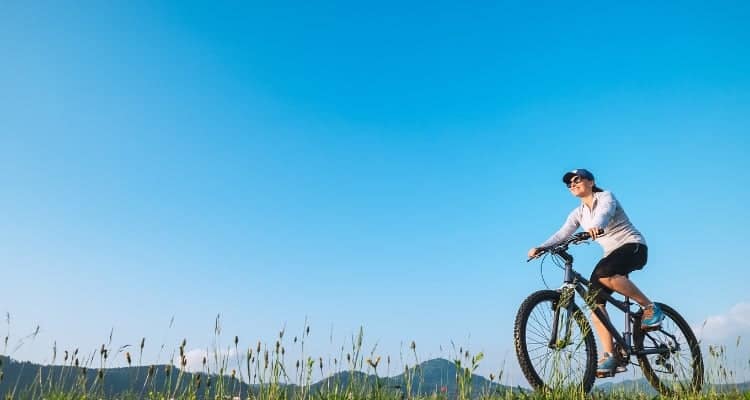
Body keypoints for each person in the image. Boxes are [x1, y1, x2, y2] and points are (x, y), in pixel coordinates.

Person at [527, 168, 664, 378]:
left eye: (577, 180)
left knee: (603, 273)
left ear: (591, 181)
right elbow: (563, 233)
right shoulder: (578, 213)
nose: (573, 185)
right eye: (569, 184)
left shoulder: (605, 196)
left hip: (633, 247)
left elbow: (605, 213)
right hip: (612, 255)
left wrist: (597, 226)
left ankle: (650, 308)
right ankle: (611, 356)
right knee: (594, 302)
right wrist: (542, 247)